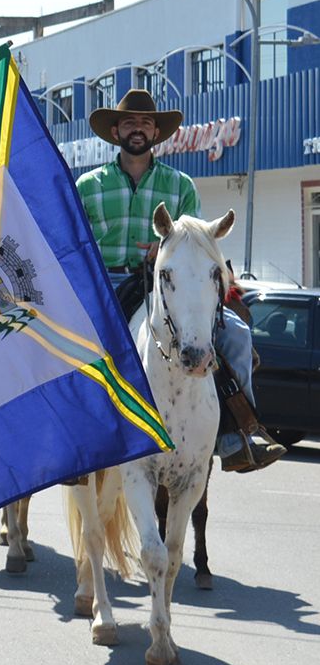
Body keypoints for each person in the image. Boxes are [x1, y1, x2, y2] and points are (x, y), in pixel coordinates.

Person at [77, 89, 284, 473]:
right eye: (128, 122)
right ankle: (78, 446)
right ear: (115, 130)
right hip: (107, 284)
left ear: (156, 132)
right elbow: (74, 243)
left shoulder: (181, 185)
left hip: (167, 287)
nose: (136, 129)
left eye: (144, 123)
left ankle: (238, 435)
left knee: (236, 334)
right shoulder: (88, 186)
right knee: (70, 346)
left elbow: (199, 248)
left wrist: (164, 254)